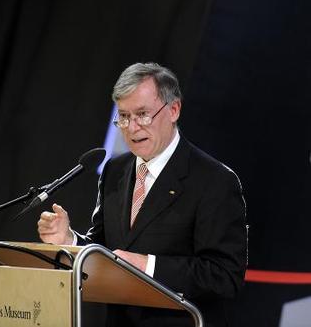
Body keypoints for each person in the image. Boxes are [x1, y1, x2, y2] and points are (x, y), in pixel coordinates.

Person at [37, 62, 247, 327]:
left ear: (173, 110)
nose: (132, 127)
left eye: (142, 114)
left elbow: (224, 276)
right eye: (123, 116)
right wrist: (70, 240)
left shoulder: (215, 181)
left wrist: (147, 266)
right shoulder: (115, 170)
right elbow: (104, 250)